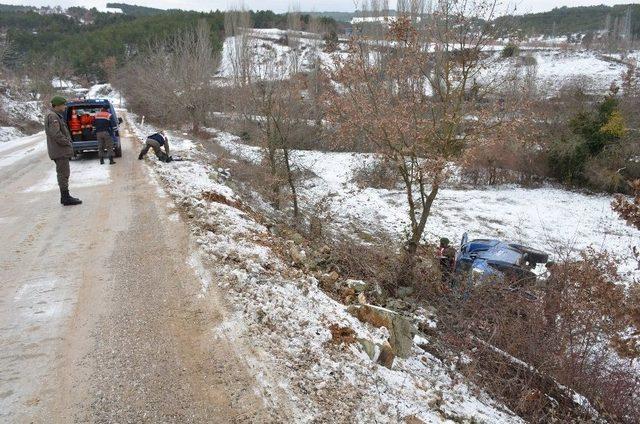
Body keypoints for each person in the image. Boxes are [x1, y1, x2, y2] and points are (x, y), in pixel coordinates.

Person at [44, 96, 82, 206]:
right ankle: (65, 197)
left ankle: (65, 196)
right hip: (59, 150)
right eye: (63, 105)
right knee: (63, 174)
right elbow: (56, 134)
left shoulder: (54, 115)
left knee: (64, 173)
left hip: (59, 150)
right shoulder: (53, 116)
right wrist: (67, 142)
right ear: (57, 105)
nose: (65, 107)